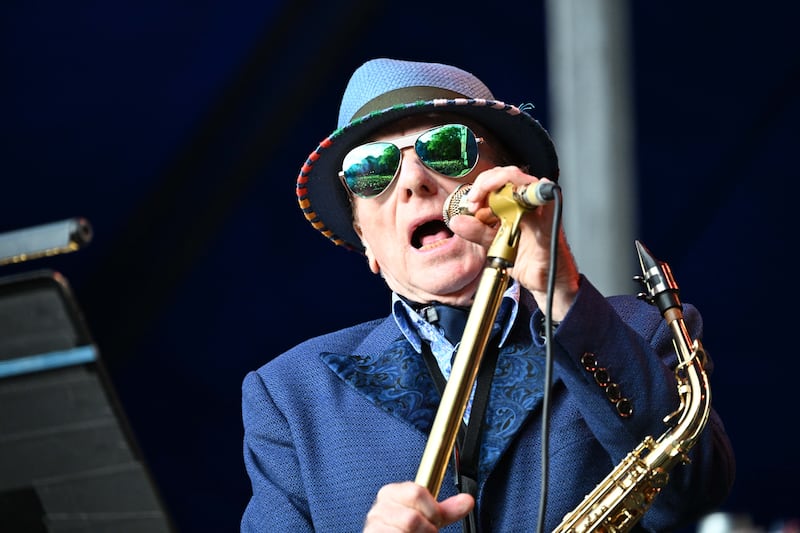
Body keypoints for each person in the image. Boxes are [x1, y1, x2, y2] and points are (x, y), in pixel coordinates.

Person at [240, 58, 735, 532]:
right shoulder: (288, 395)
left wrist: (560, 291)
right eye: (372, 169)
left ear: (508, 184)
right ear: (365, 241)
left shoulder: (639, 332)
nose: (413, 180)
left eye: (446, 147)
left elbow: (691, 489)